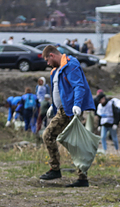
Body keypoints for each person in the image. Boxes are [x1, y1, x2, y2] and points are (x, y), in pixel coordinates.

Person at [39, 45, 96, 187]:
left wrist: (77, 104)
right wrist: (53, 105)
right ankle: (82, 178)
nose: (47, 63)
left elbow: (79, 85)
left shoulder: (70, 65)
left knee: (49, 135)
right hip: (61, 109)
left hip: (69, 110)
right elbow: (58, 91)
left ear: (52, 55)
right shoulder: (55, 71)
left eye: (47, 60)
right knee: (74, 141)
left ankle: (56, 169)